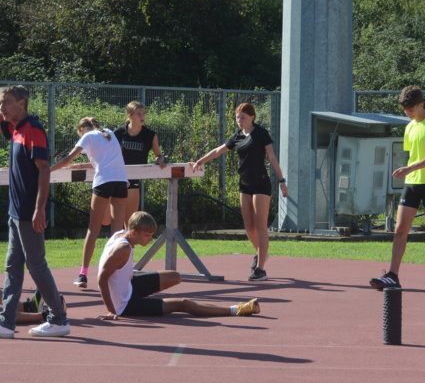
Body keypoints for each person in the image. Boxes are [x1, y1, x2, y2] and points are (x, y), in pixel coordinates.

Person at [0, 85, 71, 338]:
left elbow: (44, 170)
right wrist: (4, 109)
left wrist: (39, 209)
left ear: (22, 102)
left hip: (29, 211)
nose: (2, 107)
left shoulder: (33, 129)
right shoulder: (15, 129)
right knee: (12, 266)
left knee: (36, 266)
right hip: (15, 212)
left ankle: (59, 319)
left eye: (7, 102)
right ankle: (6, 323)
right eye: (0, 103)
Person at [96, 212, 261, 320]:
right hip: (125, 304)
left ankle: (148, 300)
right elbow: (102, 278)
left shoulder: (120, 234)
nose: (150, 239)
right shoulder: (123, 249)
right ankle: (236, 309)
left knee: (174, 276)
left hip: (130, 286)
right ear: (133, 232)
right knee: (183, 303)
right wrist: (112, 310)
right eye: (147, 235)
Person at [370, 85, 425, 291]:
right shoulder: (409, 127)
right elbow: (413, 154)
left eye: (411, 109)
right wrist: (409, 171)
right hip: (412, 183)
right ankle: (392, 275)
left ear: (421, 104)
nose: (407, 113)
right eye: (405, 110)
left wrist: (409, 168)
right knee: (400, 229)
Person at [191, 102, 287, 281]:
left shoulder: (261, 133)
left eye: (243, 117)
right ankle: (261, 254)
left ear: (252, 117)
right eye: (237, 118)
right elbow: (218, 150)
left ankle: (260, 270)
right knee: (249, 228)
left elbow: (272, 157)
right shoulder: (237, 136)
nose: (239, 120)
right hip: (245, 185)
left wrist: (282, 181)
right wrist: (201, 160)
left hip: (261, 184)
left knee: (260, 226)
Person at [50, 117, 129, 289]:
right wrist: (79, 166)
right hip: (121, 181)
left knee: (93, 229)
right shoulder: (109, 133)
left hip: (104, 181)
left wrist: (47, 171)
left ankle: (83, 274)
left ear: (82, 130)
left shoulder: (88, 136)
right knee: (117, 232)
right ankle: (116, 274)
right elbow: (103, 160)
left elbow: (67, 159)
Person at [114, 101, 166, 216]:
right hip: (117, 178)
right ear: (130, 116)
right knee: (116, 219)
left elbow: (159, 155)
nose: (142, 116)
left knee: (130, 219)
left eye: (144, 113)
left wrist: (159, 161)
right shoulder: (118, 133)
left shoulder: (150, 135)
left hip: (134, 180)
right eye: (138, 114)